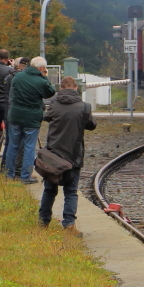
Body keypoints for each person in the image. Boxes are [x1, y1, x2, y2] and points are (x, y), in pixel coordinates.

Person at [39, 76, 97, 232]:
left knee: (49, 190)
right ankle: (69, 223)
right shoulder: (84, 107)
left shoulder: (53, 104)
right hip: (74, 155)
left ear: (60, 88)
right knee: (71, 191)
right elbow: (92, 125)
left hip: (53, 156)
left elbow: (46, 117)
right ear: (76, 88)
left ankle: (43, 221)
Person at [3, 57, 55, 183]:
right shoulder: (40, 81)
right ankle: (25, 176)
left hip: (15, 115)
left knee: (13, 145)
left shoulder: (18, 77)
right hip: (32, 117)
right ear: (42, 68)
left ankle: (9, 174)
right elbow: (50, 92)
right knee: (29, 147)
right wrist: (45, 77)